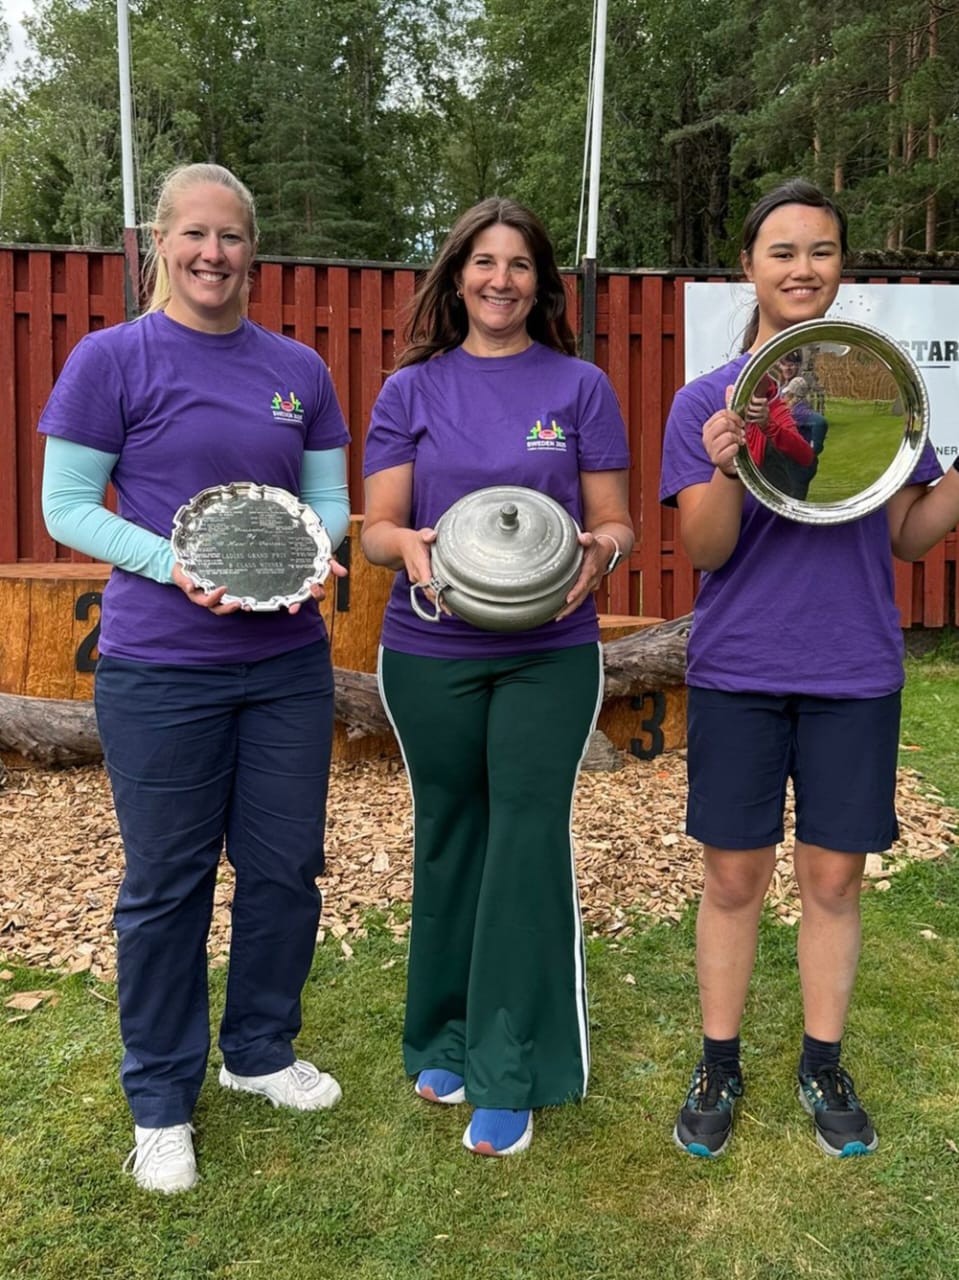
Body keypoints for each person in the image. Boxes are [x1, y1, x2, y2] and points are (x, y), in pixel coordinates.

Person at [38, 163, 351, 1193]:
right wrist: (174, 564)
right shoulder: (110, 359)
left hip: (287, 667)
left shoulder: (298, 368)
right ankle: (160, 1099)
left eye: (231, 236)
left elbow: (327, 503)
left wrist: (305, 554)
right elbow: (67, 506)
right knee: (166, 885)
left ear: (252, 250)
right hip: (161, 669)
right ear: (160, 243)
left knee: (283, 868)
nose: (213, 253)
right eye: (195, 235)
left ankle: (257, 1050)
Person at [659, 177, 959, 1161]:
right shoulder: (702, 401)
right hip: (739, 667)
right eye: (781, 251)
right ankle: (717, 1062)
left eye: (820, 250)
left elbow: (908, 535)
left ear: (840, 266)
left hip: (852, 667)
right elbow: (705, 551)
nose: (801, 268)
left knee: (833, 878)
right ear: (748, 266)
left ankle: (821, 1063)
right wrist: (720, 464)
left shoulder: (876, 390)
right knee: (732, 874)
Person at [361, 197, 633, 1157]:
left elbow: (615, 521)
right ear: (456, 276)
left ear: (541, 284)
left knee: (522, 838)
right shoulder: (411, 391)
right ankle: (443, 1030)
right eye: (483, 261)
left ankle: (511, 1065)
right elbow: (378, 530)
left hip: (547, 653)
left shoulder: (580, 387)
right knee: (449, 833)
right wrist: (410, 548)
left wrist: (601, 551)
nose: (500, 280)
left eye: (519, 264)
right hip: (429, 647)